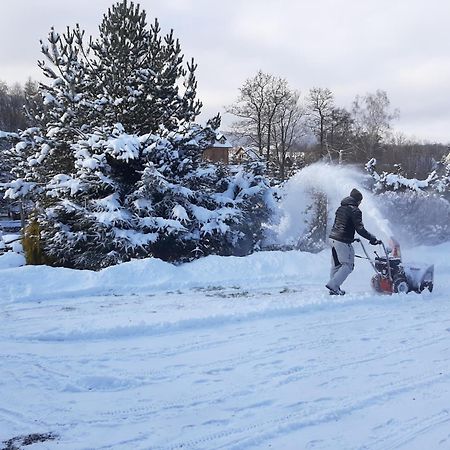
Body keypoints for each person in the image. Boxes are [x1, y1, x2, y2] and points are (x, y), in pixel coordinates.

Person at [326, 188, 379, 295]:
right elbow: (360, 229)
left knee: (337, 265)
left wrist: (351, 236)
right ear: (358, 200)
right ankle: (333, 285)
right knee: (348, 265)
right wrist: (372, 238)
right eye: (360, 201)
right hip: (342, 240)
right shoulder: (355, 210)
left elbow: (343, 225)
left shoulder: (341, 208)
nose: (360, 203)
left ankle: (334, 288)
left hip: (333, 239)